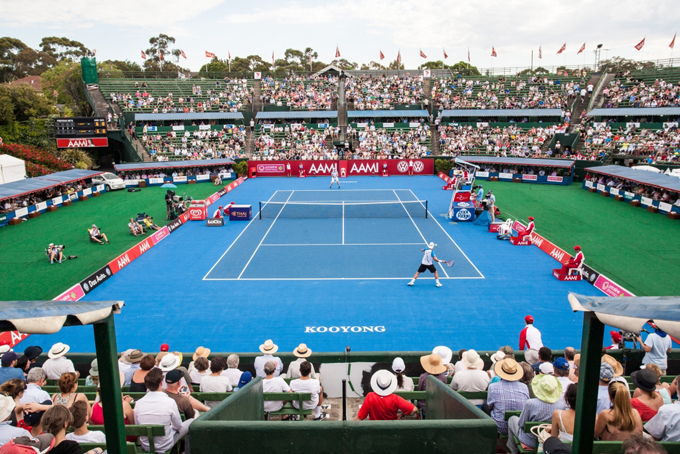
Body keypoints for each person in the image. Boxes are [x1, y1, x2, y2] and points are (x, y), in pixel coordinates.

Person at [134, 369, 193, 453]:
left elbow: (138, 425)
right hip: (165, 445)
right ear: (161, 383)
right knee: (191, 422)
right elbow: (178, 426)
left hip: (146, 446)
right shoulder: (170, 402)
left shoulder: (138, 404)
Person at [507, 375, 565, 454]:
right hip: (549, 441)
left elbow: (521, 424)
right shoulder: (561, 406)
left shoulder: (530, 403)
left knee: (512, 419)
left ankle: (513, 451)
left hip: (529, 441)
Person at [487, 358, 529, 436]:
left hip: (500, 427)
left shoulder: (493, 387)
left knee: (485, 407)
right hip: (518, 426)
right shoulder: (524, 387)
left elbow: (490, 406)